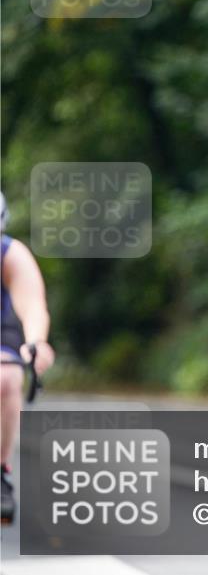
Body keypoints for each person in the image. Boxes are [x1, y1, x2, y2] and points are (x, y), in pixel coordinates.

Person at [0, 190, 55, 524]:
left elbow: (33, 305)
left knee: (7, 377)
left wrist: (36, 342)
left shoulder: (11, 254)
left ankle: (0, 472)